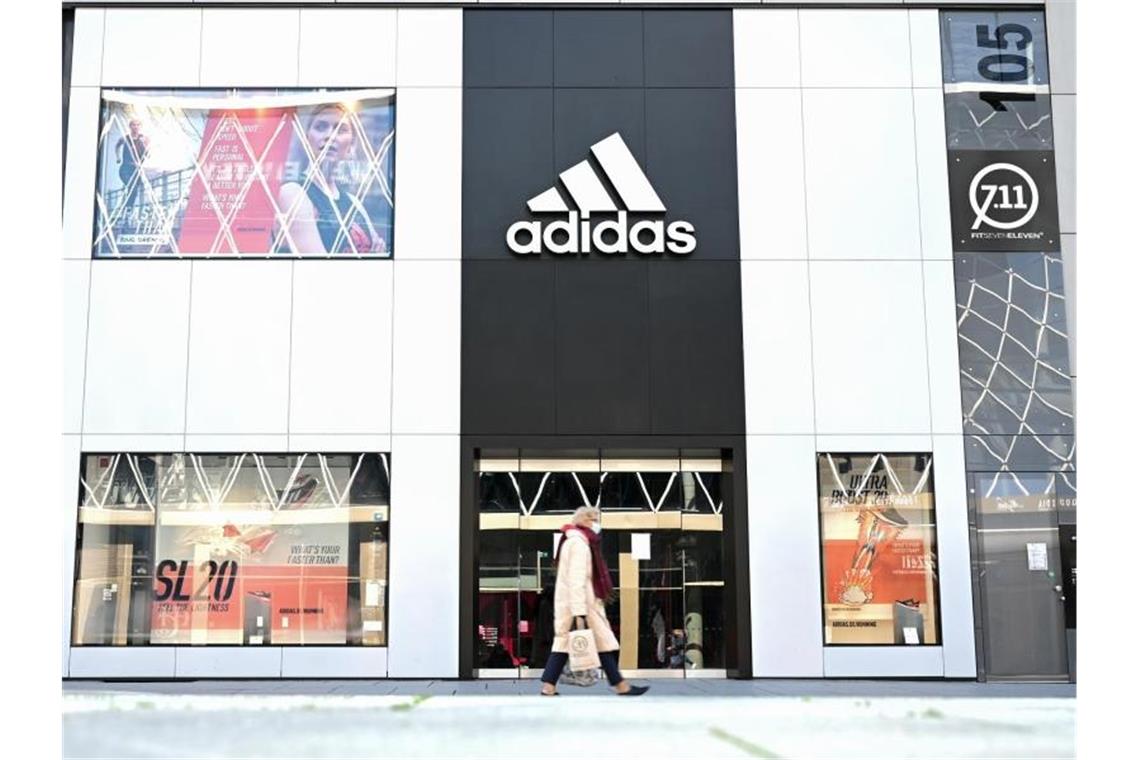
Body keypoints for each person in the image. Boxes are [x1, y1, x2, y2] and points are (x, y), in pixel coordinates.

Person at [539, 506, 649, 697]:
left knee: (569, 644)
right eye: (595, 519)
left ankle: (549, 686)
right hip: (582, 606)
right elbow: (576, 579)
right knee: (592, 644)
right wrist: (579, 612)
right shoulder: (580, 544)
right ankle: (621, 686)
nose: (597, 524)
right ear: (586, 521)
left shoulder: (572, 541)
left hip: (575, 604)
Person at [275, 103, 385, 255]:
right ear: (306, 139)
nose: (330, 136)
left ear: (351, 147)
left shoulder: (354, 203)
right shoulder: (292, 194)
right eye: (321, 127)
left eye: (340, 130)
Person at [115, 118, 150, 216]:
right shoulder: (125, 138)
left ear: (140, 126)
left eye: (138, 125)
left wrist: (145, 145)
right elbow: (117, 146)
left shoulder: (144, 139)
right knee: (132, 187)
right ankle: (127, 210)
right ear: (130, 126)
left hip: (137, 170)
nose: (136, 127)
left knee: (134, 191)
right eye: (133, 125)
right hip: (125, 168)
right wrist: (118, 157)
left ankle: (127, 212)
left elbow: (148, 155)